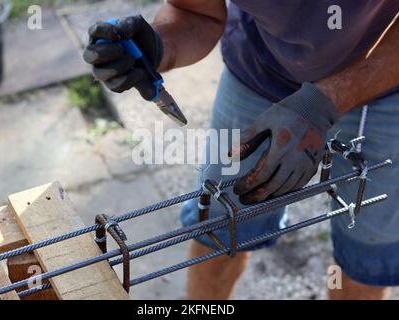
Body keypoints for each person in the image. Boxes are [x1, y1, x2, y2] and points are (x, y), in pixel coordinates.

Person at [83, 0, 399, 300]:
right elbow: (196, 12)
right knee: (221, 228)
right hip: (262, 69)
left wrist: (326, 100)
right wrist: (159, 44)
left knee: (366, 256)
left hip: (383, 79)